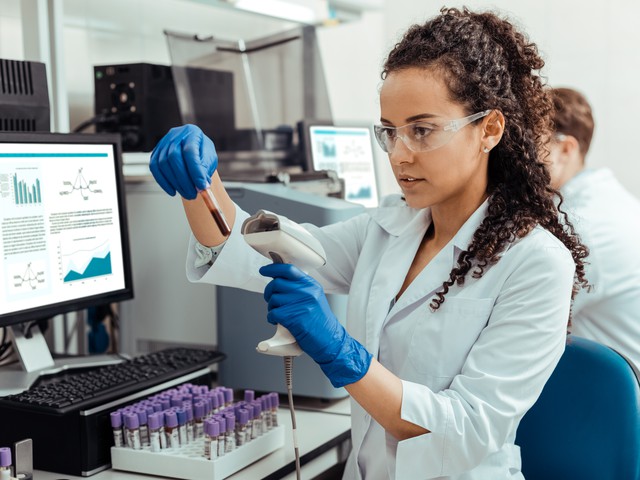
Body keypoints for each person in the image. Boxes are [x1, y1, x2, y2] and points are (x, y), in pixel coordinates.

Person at [149, 7, 588, 479]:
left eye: (422, 130)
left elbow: (465, 431)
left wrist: (342, 352)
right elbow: (251, 250)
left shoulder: (537, 263)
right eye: (390, 132)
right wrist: (200, 184)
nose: (399, 155)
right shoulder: (388, 228)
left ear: (490, 129)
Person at [546, 87, 640, 369]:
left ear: (565, 148)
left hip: (619, 404)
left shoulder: (579, 227)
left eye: (529, 144)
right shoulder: (614, 200)